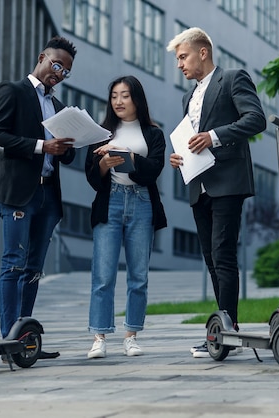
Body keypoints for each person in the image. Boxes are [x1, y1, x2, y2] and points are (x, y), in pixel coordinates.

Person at [166, 27, 266, 358]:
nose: (179, 65)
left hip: (227, 182)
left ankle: (228, 330)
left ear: (203, 52)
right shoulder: (187, 97)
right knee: (211, 257)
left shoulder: (233, 78)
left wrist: (214, 136)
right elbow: (191, 139)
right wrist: (178, 157)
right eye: (178, 59)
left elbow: (256, 119)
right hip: (198, 185)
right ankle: (223, 328)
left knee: (222, 253)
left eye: (183, 57)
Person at [0, 36, 77, 359]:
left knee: (34, 269)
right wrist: (43, 146)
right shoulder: (12, 90)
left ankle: (25, 340)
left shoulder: (60, 108)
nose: (59, 74)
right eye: (57, 66)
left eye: (66, 72)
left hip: (48, 195)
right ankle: (8, 341)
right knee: (13, 264)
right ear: (42, 57)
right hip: (19, 192)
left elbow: (65, 158)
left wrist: (69, 145)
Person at [85, 75, 167, 359]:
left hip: (142, 201)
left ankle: (131, 335)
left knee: (139, 276)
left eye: (125, 95)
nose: (118, 101)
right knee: (103, 274)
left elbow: (153, 171)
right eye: (114, 96)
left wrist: (125, 154)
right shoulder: (101, 132)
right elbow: (93, 178)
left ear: (137, 99)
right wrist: (105, 165)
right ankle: (99, 336)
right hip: (111, 201)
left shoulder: (154, 134)